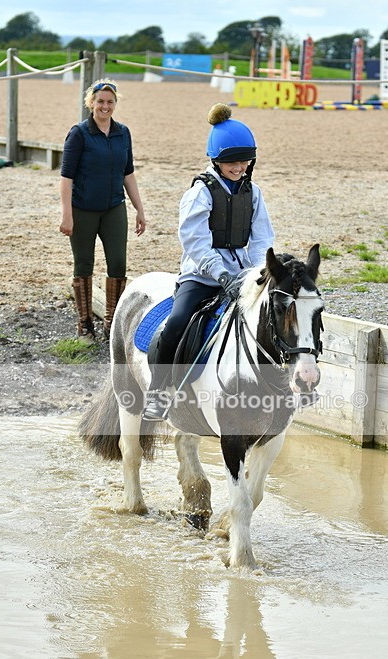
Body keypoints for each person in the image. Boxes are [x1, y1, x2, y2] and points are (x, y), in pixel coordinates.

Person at [142, 102, 275, 421]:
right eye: (232, 161)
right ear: (216, 159)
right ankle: (159, 390)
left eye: (244, 160)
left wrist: (259, 273)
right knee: (177, 322)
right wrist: (220, 273)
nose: (239, 166)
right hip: (201, 276)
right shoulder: (200, 193)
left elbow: (262, 238)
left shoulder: (253, 193)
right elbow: (195, 242)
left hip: (242, 275)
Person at [59, 79, 146, 339]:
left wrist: (140, 209)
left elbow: (127, 173)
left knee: (118, 263)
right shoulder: (79, 133)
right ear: (91, 103)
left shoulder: (123, 133)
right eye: (100, 102)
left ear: (115, 104)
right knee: (84, 264)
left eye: (109, 102)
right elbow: (66, 178)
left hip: (113, 208)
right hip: (83, 209)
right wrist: (67, 215)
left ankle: (112, 322)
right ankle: (85, 323)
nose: (104, 106)